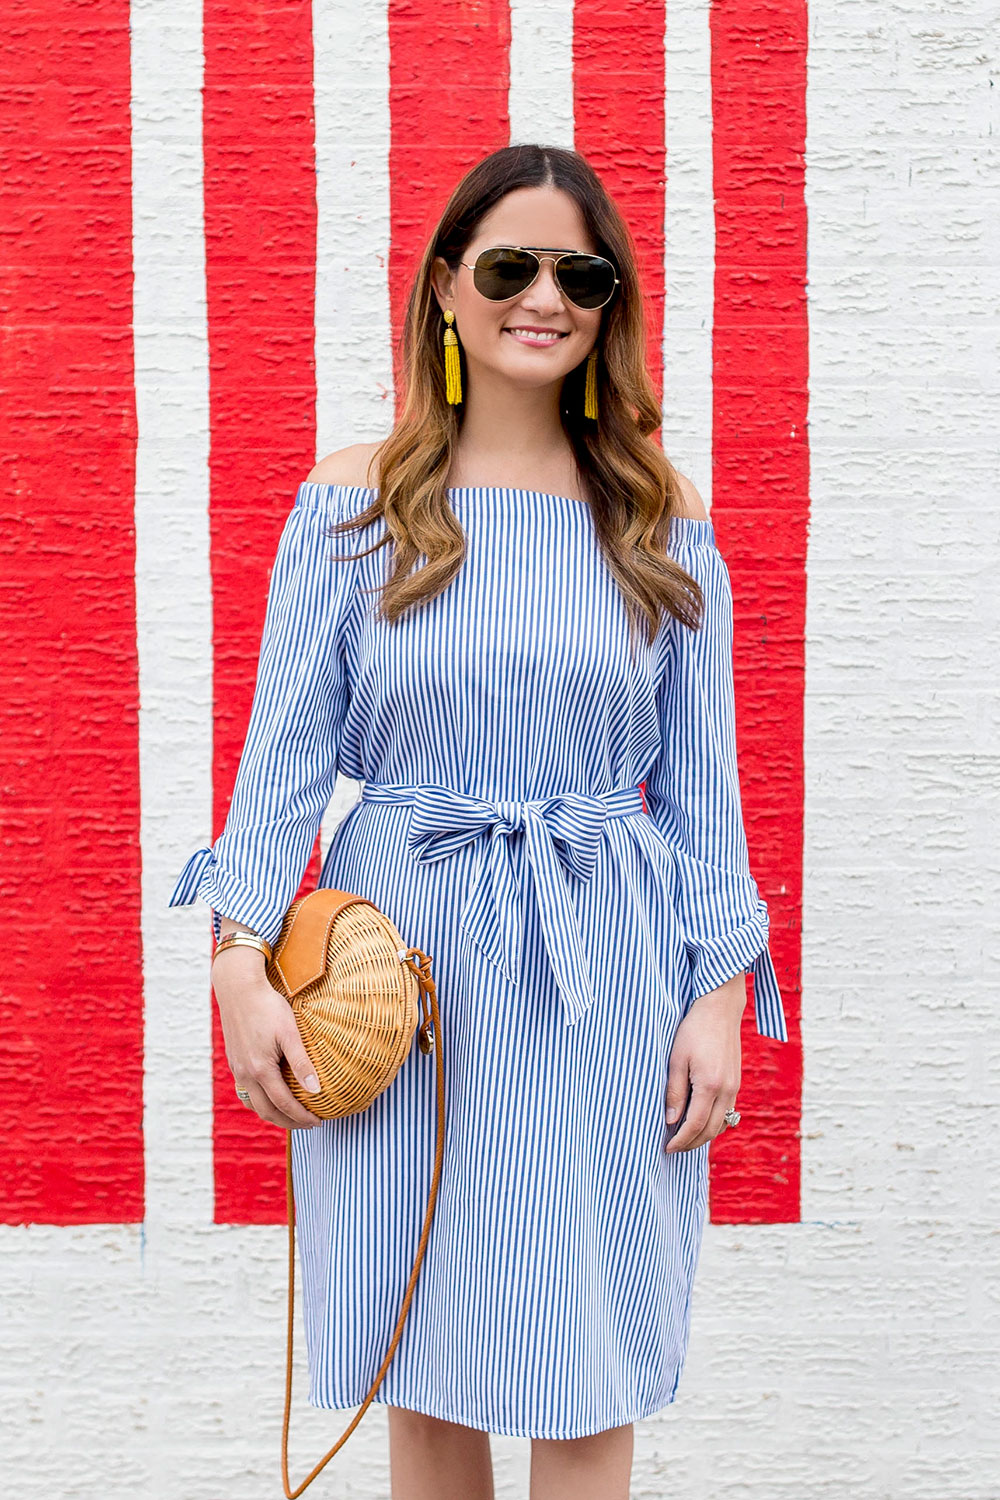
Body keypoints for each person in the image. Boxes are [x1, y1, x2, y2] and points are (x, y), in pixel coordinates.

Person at [169, 143, 788, 1500]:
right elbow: (281, 766)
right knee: (430, 1358)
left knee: (590, 1356)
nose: (545, 296)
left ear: (610, 303)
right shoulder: (355, 499)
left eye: (582, 272)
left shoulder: (657, 519)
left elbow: (704, 792)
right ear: (448, 288)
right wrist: (236, 962)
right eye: (510, 265)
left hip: (606, 969)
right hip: (412, 974)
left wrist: (718, 996)